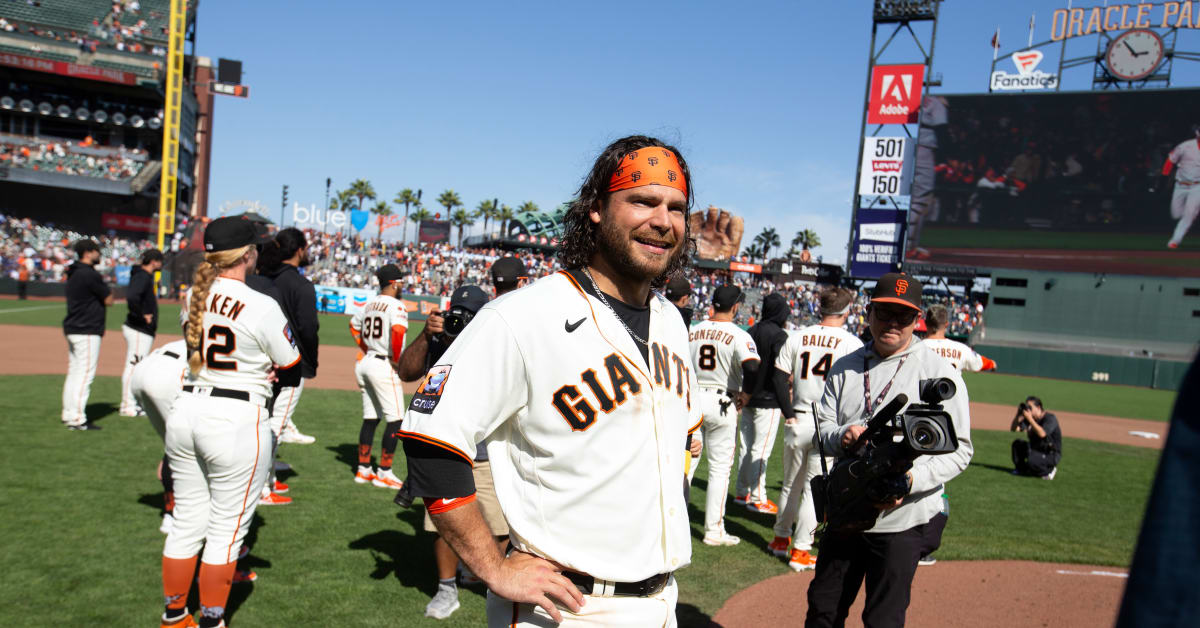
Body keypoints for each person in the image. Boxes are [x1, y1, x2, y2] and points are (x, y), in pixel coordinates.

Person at [401, 135, 698, 626]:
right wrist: (493, 566)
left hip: (662, 599)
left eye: (676, 208)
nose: (663, 220)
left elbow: (683, 437)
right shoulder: (521, 317)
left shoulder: (671, 320)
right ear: (597, 209)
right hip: (564, 608)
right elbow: (431, 441)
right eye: (642, 201)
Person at [805, 272, 972, 628]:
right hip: (847, 509)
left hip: (902, 518)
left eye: (904, 316)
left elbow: (961, 451)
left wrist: (910, 480)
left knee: (883, 619)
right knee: (823, 610)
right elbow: (820, 434)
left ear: (917, 319)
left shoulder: (939, 373)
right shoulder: (845, 367)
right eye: (885, 313)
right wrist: (843, 437)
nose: (893, 323)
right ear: (869, 313)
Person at [159, 216, 301, 628]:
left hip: (186, 410)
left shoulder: (193, 296)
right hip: (236, 417)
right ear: (249, 254)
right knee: (225, 532)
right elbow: (292, 368)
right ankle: (212, 620)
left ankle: (173, 615)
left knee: (187, 523)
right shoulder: (260, 303)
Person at [399, 280, 509, 621]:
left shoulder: (495, 342)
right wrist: (427, 335)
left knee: (500, 526)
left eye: (468, 317)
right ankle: (447, 588)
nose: (459, 323)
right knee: (441, 528)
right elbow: (405, 371)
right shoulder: (438, 341)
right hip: (445, 449)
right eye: (455, 315)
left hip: (488, 453)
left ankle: (487, 576)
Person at [769, 286, 863, 572]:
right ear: (846, 312)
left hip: (798, 416)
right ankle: (800, 551)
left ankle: (780, 539)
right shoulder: (852, 342)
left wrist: (787, 413)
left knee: (790, 484)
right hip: (828, 423)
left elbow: (778, 376)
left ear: (819, 308)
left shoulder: (797, 336)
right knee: (814, 489)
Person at [688, 284, 759, 546]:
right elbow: (752, 367)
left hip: (693, 398)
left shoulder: (694, 331)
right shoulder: (738, 334)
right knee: (719, 469)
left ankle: (676, 524)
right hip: (722, 400)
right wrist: (748, 395)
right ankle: (714, 531)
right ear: (736, 306)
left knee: (688, 464)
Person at [348, 264, 409, 489]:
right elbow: (398, 332)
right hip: (384, 363)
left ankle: (363, 469)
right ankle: (384, 472)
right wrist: (396, 359)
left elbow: (353, 326)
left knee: (371, 418)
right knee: (396, 420)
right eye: (401, 282)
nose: (402, 285)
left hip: (365, 362)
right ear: (394, 283)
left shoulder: (369, 304)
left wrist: (365, 347)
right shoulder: (397, 306)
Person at [258, 227, 320, 446]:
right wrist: (310, 362)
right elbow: (308, 328)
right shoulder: (301, 285)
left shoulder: (262, 278)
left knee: (261, 416)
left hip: (262, 358)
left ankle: (268, 472)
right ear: (300, 250)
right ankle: (265, 476)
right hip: (291, 361)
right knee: (277, 424)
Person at [735, 292, 791, 514]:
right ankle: (758, 498)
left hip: (748, 396)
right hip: (768, 400)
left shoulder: (752, 330)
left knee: (746, 447)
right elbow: (780, 373)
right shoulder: (779, 335)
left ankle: (741, 492)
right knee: (760, 450)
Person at [61, 238, 112, 431]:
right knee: (84, 375)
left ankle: (69, 413)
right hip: (87, 328)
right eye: (97, 251)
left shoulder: (73, 271)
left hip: (73, 326)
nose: (99, 254)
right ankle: (77, 418)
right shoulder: (89, 274)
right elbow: (108, 299)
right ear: (88, 252)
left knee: (74, 372)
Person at [120, 248, 164, 416]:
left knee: (135, 367)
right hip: (138, 329)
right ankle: (127, 405)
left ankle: (132, 404)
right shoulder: (142, 276)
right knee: (133, 367)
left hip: (141, 329)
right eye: (160, 261)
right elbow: (132, 297)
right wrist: (141, 316)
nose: (161, 264)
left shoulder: (144, 276)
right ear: (154, 261)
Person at [921, 305, 996, 372]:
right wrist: (992, 364)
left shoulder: (916, 348)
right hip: (952, 386)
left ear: (926, 323)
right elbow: (980, 362)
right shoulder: (961, 349)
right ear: (946, 324)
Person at [1161, 124, 1200, 249]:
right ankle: (1190, 216)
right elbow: (1170, 160)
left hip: (1197, 187)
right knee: (1176, 214)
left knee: (1189, 215)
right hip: (1180, 186)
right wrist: (1164, 177)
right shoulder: (1185, 146)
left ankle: (1174, 241)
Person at [1010, 396, 1061, 480]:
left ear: (1038, 407)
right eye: (1027, 407)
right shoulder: (1030, 418)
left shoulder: (1050, 418)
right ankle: (1021, 469)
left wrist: (1030, 419)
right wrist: (1018, 415)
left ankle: (1050, 470)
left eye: (1030, 407)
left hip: (1051, 453)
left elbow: (1042, 434)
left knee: (1032, 461)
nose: (1028, 409)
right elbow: (1014, 429)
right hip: (1036, 449)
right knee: (1017, 444)